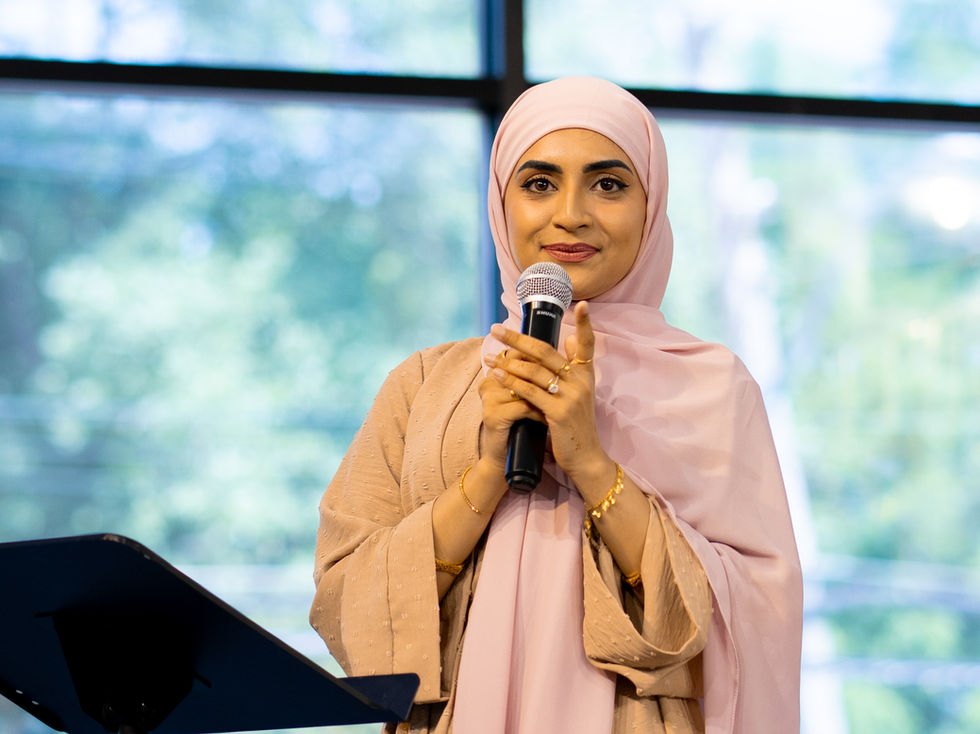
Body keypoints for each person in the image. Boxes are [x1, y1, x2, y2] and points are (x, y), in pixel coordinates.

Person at [310, 76, 803, 733]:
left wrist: (591, 463)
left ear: (652, 207)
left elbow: (756, 616)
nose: (571, 214)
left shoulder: (713, 387)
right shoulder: (424, 385)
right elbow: (346, 601)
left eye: (609, 184)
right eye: (539, 183)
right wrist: (488, 474)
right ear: (501, 203)